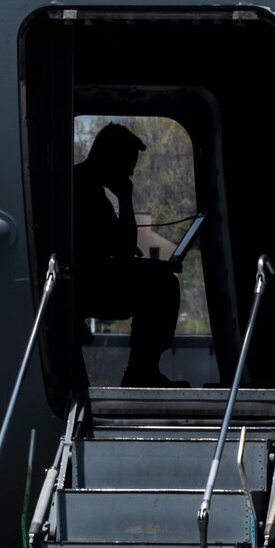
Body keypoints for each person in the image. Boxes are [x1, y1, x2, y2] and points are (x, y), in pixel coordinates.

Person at [73, 123, 181, 388]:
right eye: (129, 165)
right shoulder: (85, 191)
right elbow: (123, 247)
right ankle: (142, 371)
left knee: (159, 278)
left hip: (86, 279)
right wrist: (126, 198)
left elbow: (122, 246)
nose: (131, 172)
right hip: (85, 285)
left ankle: (143, 370)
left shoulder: (87, 187)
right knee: (163, 284)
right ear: (114, 160)